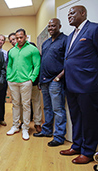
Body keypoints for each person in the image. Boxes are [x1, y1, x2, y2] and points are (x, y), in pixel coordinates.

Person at [60, 5, 98, 164]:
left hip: (88, 84)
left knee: (89, 119)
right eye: (68, 13)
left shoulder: (94, 29)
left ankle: (88, 151)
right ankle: (77, 145)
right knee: (76, 117)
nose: (69, 15)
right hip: (71, 84)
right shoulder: (70, 36)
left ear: (83, 13)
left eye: (72, 13)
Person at [33, 18, 67, 147]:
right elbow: (42, 62)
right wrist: (41, 80)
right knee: (47, 107)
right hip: (45, 80)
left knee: (58, 109)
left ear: (59, 26)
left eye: (53, 26)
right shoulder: (46, 43)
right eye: (49, 26)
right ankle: (47, 130)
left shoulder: (65, 40)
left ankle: (58, 137)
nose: (51, 28)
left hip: (56, 80)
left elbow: (68, 61)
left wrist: (59, 76)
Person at [6, 28, 40, 140]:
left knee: (26, 105)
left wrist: (32, 79)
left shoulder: (32, 49)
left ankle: (25, 128)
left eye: (21, 37)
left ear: (25, 37)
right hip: (13, 81)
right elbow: (9, 65)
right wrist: (9, 77)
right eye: (17, 38)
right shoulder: (12, 51)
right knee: (15, 104)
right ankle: (15, 126)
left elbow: (37, 65)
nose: (19, 39)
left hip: (26, 82)